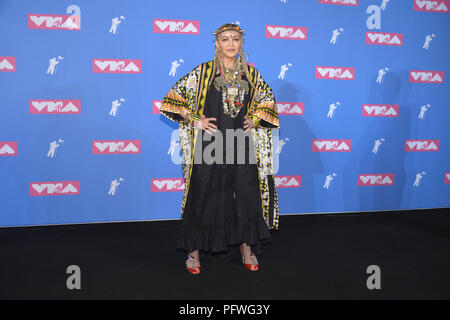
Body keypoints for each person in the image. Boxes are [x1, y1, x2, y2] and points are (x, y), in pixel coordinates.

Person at [160, 23, 280, 275]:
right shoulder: (203, 72)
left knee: (246, 197)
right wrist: (196, 121)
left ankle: (247, 248)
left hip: (241, 144)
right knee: (203, 195)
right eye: (225, 39)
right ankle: (193, 253)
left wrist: (256, 119)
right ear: (217, 43)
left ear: (241, 43)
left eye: (235, 39)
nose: (231, 44)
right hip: (210, 145)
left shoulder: (251, 74)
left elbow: (268, 101)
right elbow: (172, 99)